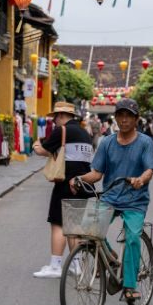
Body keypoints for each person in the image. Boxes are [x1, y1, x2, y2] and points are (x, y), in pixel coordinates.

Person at [70, 98, 153, 301]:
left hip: (135, 199)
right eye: (121, 115)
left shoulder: (145, 142)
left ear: (136, 119)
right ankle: (110, 258)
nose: (124, 120)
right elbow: (97, 174)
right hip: (110, 196)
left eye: (129, 116)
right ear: (116, 118)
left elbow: (149, 170)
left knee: (133, 237)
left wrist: (140, 179)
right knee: (87, 228)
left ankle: (129, 285)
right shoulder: (106, 142)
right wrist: (78, 179)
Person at [32, 102, 93, 278]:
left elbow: (45, 150)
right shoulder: (85, 133)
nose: (54, 121)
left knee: (58, 223)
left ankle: (55, 266)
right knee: (74, 225)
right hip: (83, 183)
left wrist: (36, 146)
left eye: (55, 118)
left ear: (60, 116)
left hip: (66, 183)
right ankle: (76, 265)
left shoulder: (62, 131)